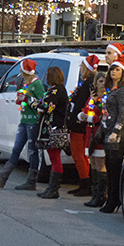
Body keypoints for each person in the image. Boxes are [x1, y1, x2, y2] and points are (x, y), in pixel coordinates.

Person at [0, 58, 45, 189]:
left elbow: (42, 103)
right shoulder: (27, 84)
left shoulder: (37, 84)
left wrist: (27, 100)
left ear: (24, 71)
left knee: (32, 151)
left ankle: (31, 182)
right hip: (24, 120)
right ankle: (3, 177)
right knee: (16, 149)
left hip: (32, 122)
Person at [100, 59, 124, 214]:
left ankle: (114, 199)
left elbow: (123, 113)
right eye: (112, 70)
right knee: (109, 165)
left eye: (117, 70)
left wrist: (116, 131)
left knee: (114, 166)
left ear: (123, 73)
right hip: (108, 130)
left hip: (118, 134)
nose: (114, 72)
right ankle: (111, 197)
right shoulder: (111, 90)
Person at [65, 54, 100, 197]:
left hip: (80, 124)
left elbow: (81, 104)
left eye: (82, 66)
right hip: (81, 122)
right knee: (81, 155)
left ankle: (85, 184)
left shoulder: (88, 83)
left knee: (78, 154)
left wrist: (75, 119)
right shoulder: (89, 82)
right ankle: (84, 183)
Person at [36, 66, 70, 199]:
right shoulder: (56, 90)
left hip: (55, 128)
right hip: (53, 128)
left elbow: (47, 108)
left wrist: (34, 105)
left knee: (55, 158)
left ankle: (54, 189)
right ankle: (51, 187)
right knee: (52, 157)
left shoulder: (57, 91)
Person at [82, 72, 108, 207]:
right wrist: (83, 115)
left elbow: (105, 116)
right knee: (92, 162)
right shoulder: (91, 98)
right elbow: (85, 111)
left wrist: (90, 118)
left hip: (100, 133)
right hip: (90, 133)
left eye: (104, 81)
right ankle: (95, 194)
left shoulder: (105, 99)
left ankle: (101, 195)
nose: (102, 84)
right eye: (100, 81)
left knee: (100, 163)